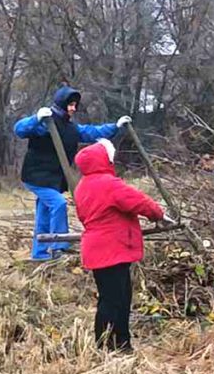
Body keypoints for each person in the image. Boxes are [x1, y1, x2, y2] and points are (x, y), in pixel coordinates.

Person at [13, 86, 131, 260]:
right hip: (36, 176)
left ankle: (39, 254)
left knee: (44, 214)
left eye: (75, 105)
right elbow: (19, 129)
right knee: (58, 204)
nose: (73, 109)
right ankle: (59, 248)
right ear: (62, 104)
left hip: (53, 179)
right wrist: (36, 118)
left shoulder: (71, 128)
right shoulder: (45, 123)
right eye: (70, 105)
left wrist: (116, 126)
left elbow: (92, 132)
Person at [74, 139, 169, 351]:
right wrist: (159, 215)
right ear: (104, 160)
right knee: (117, 300)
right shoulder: (109, 183)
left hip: (97, 249)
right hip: (112, 249)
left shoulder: (82, 186)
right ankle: (114, 346)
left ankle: (113, 344)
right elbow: (139, 201)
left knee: (111, 298)